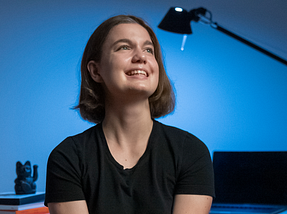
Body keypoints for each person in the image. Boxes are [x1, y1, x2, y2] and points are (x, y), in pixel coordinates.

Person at [45, 14, 215, 214]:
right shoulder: (67, 157)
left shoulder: (191, 152)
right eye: (124, 47)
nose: (141, 57)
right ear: (95, 71)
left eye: (148, 50)